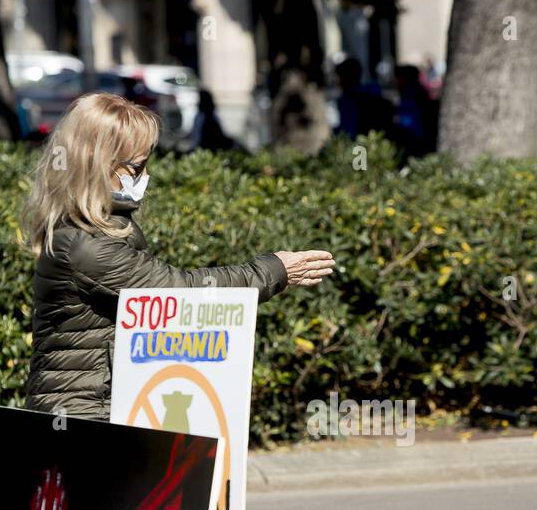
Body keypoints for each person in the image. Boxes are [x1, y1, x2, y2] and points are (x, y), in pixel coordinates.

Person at [24, 92, 334, 419]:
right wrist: (273, 270)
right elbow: (179, 291)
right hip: (85, 418)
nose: (143, 176)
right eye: (136, 166)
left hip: (91, 409)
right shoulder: (86, 244)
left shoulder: (82, 228)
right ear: (98, 165)